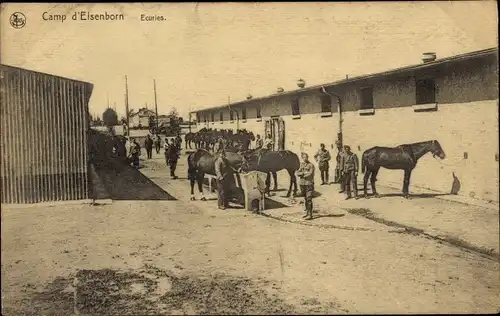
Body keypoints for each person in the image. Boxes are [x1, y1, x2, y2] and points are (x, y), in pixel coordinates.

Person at [296, 152, 315, 220]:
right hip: (302, 184)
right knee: (305, 198)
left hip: (309, 184)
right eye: (303, 157)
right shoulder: (301, 165)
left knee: (309, 199)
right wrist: (303, 173)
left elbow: (310, 174)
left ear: (308, 157)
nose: (305, 158)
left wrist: (303, 174)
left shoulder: (311, 165)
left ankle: (310, 214)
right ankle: (307, 213)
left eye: (306, 157)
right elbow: (297, 173)